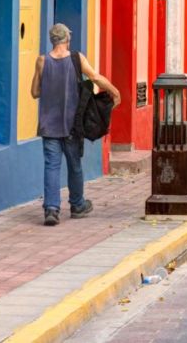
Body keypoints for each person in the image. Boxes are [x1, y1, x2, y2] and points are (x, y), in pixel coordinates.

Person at [31, 22, 121, 226]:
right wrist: (115, 92)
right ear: (67, 39)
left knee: (51, 167)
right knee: (74, 166)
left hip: (48, 125)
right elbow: (95, 78)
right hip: (73, 124)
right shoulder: (76, 58)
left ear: (52, 40)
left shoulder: (42, 61)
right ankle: (77, 204)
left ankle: (51, 210)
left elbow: (35, 92)